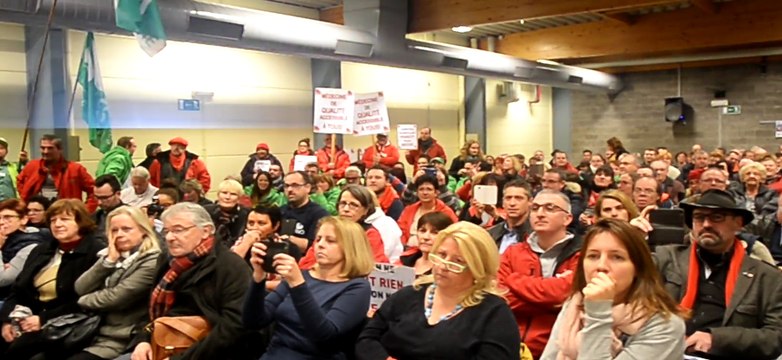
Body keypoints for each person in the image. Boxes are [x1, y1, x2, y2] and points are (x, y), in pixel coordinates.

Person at [356, 221, 521, 359]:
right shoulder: (408, 294)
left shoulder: (494, 313)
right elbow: (367, 338)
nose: (442, 266)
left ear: (478, 268)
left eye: (457, 261)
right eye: (441, 255)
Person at [654, 189, 782, 359]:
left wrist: (716, 339)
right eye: (699, 217)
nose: (706, 224)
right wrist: (632, 239)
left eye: (717, 217)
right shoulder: (667, 259)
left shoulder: (766, 277)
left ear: (738, 223)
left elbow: (776, 337)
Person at [540, 219, 686, 360]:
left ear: (638, 268)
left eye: (617, 257)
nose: (601, 266)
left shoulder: (665, 326)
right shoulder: (574, 305)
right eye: (593, 256)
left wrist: (598, 312)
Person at [126, 202, 251, 360]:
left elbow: (234, 328)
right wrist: (142, 340)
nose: (170, 237)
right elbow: (149, 310)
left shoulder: (231, 267)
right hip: (160, 343)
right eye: (166, 231)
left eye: (178, 230)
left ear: (206, 231)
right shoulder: (167, 260)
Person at [243, 216, 373, 359]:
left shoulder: (357, 287)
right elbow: (254, 321)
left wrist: (298, 285)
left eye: (330, 241)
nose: (320, 245)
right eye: (318, 239)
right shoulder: (301, 276)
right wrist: (258, 278)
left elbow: (325, 335)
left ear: (351, 248)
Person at [0, 199, 102, 359]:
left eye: (65, 219)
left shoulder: (95, 252)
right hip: (26, 318)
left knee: (19, 351)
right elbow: (17, 290)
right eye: (53, 220)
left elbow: (86, 300)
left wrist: (41, 319)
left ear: (81, 222)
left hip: (65, 324)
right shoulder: (42, 250)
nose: (57, 224)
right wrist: (6, 321)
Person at [497, 189, 582, 358]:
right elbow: (501, 299)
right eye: (535, 208)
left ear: (568, 218)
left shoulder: (582, 254)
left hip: (559, 351)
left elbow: (565, 296)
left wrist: (513, 280)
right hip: (509, 346)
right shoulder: (513, 252)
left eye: (550, 208)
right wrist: (550, 301)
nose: (540, 214)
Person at [69, 206, 161, 360]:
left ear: (143, 230)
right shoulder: (112, 255)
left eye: (126, 229)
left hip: (121, 338)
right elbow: (80, 287)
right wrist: (108, 261)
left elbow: (115, 298)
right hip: (91, 331)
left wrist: (81, 301)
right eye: (114, 230)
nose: (119, 235)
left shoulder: (152, 259)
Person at [299, 185, 389, 267]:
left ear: (366, 210)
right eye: (343, 203)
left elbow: (374, 267)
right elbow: (307, 263)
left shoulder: (369, 234)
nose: (346, 209)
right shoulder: (327, 229)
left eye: (354, 205)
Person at [16, 134, 97, 212]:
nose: (45, 151)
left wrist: (86, 210)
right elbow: (20, 181)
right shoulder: (32, 166)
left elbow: (94, 190)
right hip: (37, 214)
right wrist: (26, 198)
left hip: (66, 213)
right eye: (42, 148)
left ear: (59, 149)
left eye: (50, 148)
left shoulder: (75, 169)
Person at [0, 199, 46, 299]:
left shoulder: (30, 245)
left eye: (8, 217)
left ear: (24, 220)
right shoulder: (4, 238)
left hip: (11, 299)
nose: (1, 222)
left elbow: (2, 279)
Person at [397, 175, 459, 246]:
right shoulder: (409, 210)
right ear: (417, 192)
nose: (425, 193)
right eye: (421, 189)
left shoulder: (446, 212)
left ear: (436, 193)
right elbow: (400, 231)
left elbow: (454, 233)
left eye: (429, 189)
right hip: (407, 250)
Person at [280, 171, 330, 252]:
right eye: (286, 186)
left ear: (308, 188)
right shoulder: (281, 210)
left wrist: (287, 239)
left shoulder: (319, 214)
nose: (289, 189)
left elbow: (314, 246)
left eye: (295, 185)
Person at [397, 212, 454, 276]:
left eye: (434, 232)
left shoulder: (447, 270)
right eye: (422, 231)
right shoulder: (403, 261)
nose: (426, 237)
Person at [488, 180, 533, 254]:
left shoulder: (536, 236)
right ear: (503, 202)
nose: (512, 203)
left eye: (519, 198)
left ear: (530, 202)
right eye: (508, 198)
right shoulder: (491, 233)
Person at [203, 179, 249, 247]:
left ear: (239, 198)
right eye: (224, 193)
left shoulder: (247, 215)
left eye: (233, 194)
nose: (227, 197)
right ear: (218, 195)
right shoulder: (205, 211)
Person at [92, 174, 125, 244]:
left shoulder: (132, 216)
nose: (99, 202)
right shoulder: (94, 217)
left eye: (104, 198)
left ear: (118, 194)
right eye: (96, 197)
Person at [0, 137, 22, 202]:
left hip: (10, 205)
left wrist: (24, 161)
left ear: (6, 151)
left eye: (1, 148)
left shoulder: (15, 166)